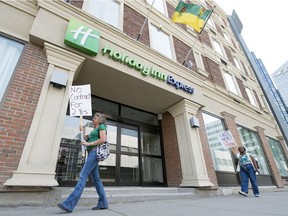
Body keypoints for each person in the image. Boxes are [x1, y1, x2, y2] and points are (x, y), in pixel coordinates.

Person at [57, 112, 108, 213]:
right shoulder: (94, 130)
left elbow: (103, 139)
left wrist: (89, 143)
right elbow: (84, 139)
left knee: (82, 176)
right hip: (91, 153)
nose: (93, 119)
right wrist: (82, 130)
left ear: (100, 119)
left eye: (95, 118)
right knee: (96, 180)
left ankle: (69, 204)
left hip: (94, 153)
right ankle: (103, 203)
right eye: (93, 118)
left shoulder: (102, 126)